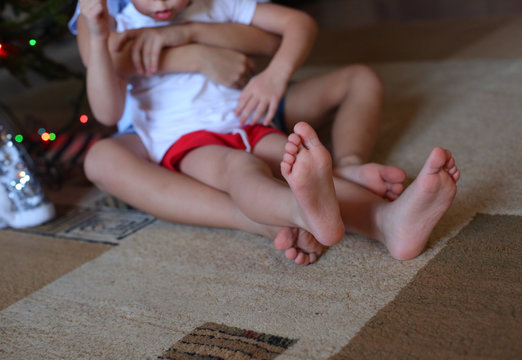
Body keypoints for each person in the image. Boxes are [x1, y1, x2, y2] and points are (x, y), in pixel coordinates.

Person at [74, 0, 460, 265]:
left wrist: (273, 76)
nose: (164, 4)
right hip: (186, 139)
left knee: (301, 163)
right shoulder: (118, 25)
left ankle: (388, 223)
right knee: (241, 169)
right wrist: (96, 36)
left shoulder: (215, 7)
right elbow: (108, 111)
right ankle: (297, 212)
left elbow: (291, 27)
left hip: (246, 120)